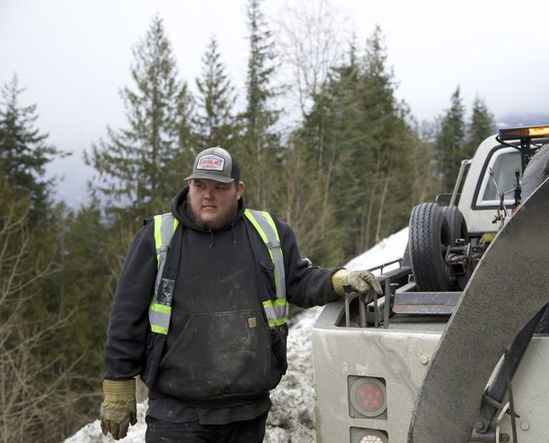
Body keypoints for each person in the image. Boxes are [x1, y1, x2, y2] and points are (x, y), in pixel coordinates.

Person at [99, 146, 382, 442]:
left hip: (248, 410)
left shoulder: (269, 232)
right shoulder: (158, 237)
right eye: (200, 185)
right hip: (177, 413)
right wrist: (118, 382)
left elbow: (299, 279)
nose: (208, 195)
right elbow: (126, 314)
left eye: (219, 187)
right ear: (189, 186)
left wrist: (340, 280)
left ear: (238, 189)